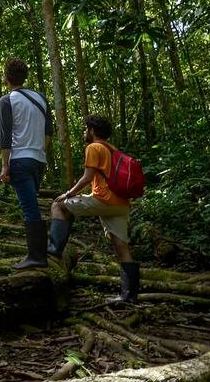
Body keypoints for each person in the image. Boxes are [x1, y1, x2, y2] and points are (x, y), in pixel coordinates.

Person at [48, 115, 139, 303]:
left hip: (103, 200)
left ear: (92, 130)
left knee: (58, 205)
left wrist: (68, 194)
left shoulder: (93, 147)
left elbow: (87, 178)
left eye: (85, 128)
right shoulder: (112, 149)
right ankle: (129, 295)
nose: (84, 131)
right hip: (121, 204)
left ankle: (54, 250)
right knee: (122, 247)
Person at [0, 57, 53, 269]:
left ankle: (36, 257)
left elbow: (6, 136)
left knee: (30, 208)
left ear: (6, 78)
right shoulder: (40, 98)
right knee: (32, 206)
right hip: (38, 159)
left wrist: (5, 165)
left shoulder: (7, 101)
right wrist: (37, 150)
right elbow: (48, 134)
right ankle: (39, 254)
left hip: (20, 160)